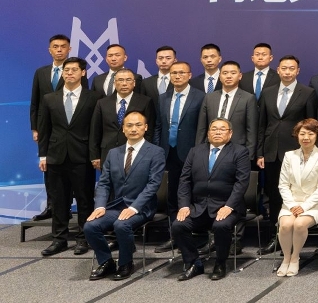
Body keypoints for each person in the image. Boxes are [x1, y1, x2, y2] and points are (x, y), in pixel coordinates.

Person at [83, 111, 165, 280]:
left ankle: (126, 262)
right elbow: (104, 183)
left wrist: (134, 208)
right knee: (90, 226)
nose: (133, 129)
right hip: (117, 206)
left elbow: (153, 185)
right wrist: (99, 206)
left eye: (138, 125)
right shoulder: (113, 153)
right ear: (123, 129)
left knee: (121, 225)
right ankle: (106, 261)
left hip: (142, 207)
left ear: (145, 127)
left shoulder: (156, 152)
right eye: (129, 125)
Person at [36, 57, 101, 256]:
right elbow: (44, 129)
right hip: (56, 156)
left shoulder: (94, 97)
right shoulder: (49, 98)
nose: (69, 73)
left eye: (74, 70)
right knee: (58, 200)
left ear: (83, 73)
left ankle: (84, 238)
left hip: (82, 156)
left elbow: (96, 129)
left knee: (84, 199)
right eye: (66, 70)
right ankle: (59, 240)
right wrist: (43, 155)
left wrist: (95, 155)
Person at [172, 118, 251, 281]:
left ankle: (220, 263)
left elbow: (242, 182)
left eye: (222, 129)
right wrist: (184, 205)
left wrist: (229, 206)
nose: (217, 132)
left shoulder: (239, 152)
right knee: (178, 225)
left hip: (227, 207)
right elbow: (185, 180)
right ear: (208, 133)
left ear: (230, 134)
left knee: (221, 225)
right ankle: (194, 263)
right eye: (214, 129)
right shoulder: (195, 151)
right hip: (199, 207)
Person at [256, 55, 318, 256]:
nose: (288, 72)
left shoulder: (307, 93)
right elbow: (262, 124)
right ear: (278, 70)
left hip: (297, 152)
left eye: (292, 68)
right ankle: (276, 236)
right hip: (271, 152)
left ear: (298, 71)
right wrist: (260, 152)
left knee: (296, 194)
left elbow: (311, 126)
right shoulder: (267, 92)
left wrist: (309, 152)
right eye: (284, 68)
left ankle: (295, 237)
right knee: (274, 195)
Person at [152, 61, 204, 251]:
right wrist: (158, 150)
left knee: (194, 194)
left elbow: (203, 127)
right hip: (169, 152)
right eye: (174, 73)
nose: (177, 76)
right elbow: (158, 126)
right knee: (172, 195)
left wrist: (200, 151)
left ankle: (197, 234)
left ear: (189, 75)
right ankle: (175, 235)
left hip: (192, 153)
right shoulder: (163, 98)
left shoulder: (200, 97)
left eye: (181, 72)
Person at [275, 118, 318, 277]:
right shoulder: (289, 156)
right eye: (302, 134)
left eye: (310, 134)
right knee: (286, 225)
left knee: (299, 224)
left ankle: (295, 258)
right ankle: (286, 258)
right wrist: (292, 205)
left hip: (314, 205)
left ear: (317, 135)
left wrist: (304, 207)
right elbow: (283, 185)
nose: (306, 137)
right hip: (291, 203)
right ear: (297, 135)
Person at [28, 34, 69, 222]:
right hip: (46, 128)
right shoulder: (41, 72)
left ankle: (66, 206)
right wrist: (35, 128)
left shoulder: (74, 70)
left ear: (69, 49)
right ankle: (52, 206)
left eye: (63, 46)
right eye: (55, 46)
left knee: (67, 167)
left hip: (67, 127)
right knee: (48, 167)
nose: (59, 50)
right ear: (49, 50)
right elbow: (34, 102)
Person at [90, 68, 156, 169]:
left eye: (128, 80)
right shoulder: (102, 103)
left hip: (136, 152)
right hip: (107, 152)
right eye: (120, 80)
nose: (124, 84)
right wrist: (95, 155)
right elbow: (95, 130)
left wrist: (145, 152)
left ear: (134, 83)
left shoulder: (145, 102)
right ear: (114, 83)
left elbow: (149, 130)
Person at [195, 61, 258, 152]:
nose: (228, 76)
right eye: (225, 73)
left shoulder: (248, 98)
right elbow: (202, 128)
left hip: (237, 149)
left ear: (240, 76)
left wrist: (249, 155)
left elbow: (251, 130)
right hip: (210, 147)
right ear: (219, 76)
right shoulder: (209, 97)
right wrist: (198, 150)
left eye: (233, 73)